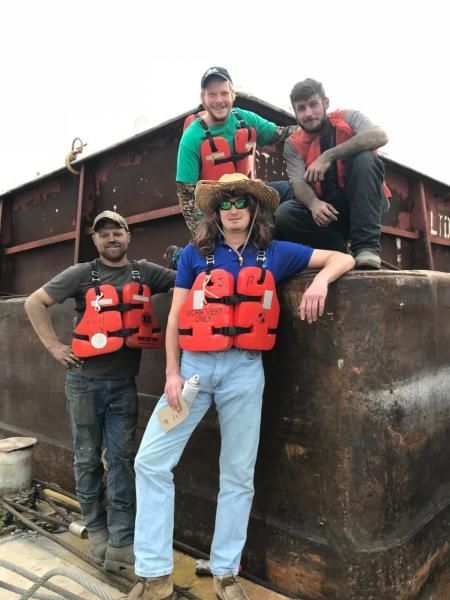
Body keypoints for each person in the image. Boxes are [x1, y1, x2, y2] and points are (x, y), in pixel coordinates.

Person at [122, 174, 354, 600]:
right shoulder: (194, 255)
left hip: (245, 372)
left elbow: (342, 259)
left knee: (238, 474)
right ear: (215, 211)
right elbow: (174, 318)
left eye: (241, 201)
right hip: (193, 371)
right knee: (151, 462)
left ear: (253, 209)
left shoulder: (277, 253)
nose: (233, 209)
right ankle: (154, 574)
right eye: (225, 202)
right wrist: (171, 373)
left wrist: (321, 280)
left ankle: (226, 571)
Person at [24, 210, 176, 573]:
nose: (111, 239)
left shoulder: (146, 272)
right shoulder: (82, 274)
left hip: (124, 386)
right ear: (95, 240)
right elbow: (34, 302)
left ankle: (122, 539)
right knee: (87, 458)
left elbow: (187, 281)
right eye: (103, 234)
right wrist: (55, 347)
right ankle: (97, 531)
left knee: (123, 462)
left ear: (128, 236)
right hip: (84, 384)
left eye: (117, 232)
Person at [166, 66, 297, 268]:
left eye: (224, 93)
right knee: (213, 249)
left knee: (288, 191)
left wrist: (313, 126)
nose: (219, 100)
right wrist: (203, 237)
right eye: (212, 94)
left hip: (247, 194)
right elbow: (186, 197)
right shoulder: (191, 138)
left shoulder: (246, 119)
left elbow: (282, 134)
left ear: (233, 94)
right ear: (203, 97)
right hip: (217, 206)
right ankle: (181, 256)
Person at [274, 78, 390, 269]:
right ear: (295, 112)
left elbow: (380, 136)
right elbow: (297, 182)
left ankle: (366, 249)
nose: (309, 113)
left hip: (367, 206)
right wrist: (313, 204)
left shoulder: (350, 118)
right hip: (329, 212)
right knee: (285, 214)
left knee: (365, 159)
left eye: (313, 105)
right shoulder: (292, 144)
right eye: (301, 108)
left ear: (326, 103)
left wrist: (328, 156)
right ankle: (342, 254)